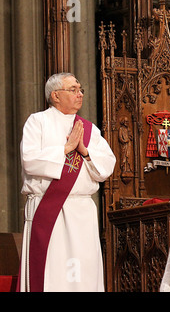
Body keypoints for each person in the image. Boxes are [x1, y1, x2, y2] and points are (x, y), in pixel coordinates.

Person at [18, 72, 116, 292]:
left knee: (83, 273)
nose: (80, 94)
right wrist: (65, 149)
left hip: (81, 212)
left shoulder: (89, 129)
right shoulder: (38, 122)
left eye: (80, 89)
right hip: (47, 208)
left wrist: (85, 151)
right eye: (73, 90)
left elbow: (108, 165)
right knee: (53, 274)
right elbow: (30, 160)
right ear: (55, 95)